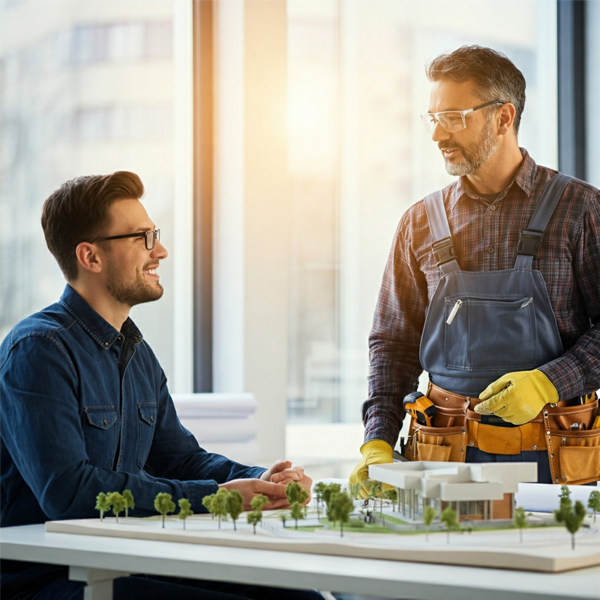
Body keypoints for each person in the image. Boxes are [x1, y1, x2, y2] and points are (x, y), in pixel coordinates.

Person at [0, 172, 319, 600]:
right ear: (90, 257)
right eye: (143, 238)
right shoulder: (38, 350)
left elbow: (182, 460)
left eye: (157, 235)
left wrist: (261, 480)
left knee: (297, 595)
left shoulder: (136, 353)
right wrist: (218, 498)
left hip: (126, 560)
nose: (161, 251)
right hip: (49, 579)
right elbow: (69, 493)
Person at [350, 45, 600, 496]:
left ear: (504, 117)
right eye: (433, 118)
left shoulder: (580, 209)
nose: (437, 135)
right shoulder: (419, 222)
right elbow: (392, 345)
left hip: (558, 459)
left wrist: (550, 381)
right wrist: (378, 442)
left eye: (454, 117)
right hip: (441, 452)